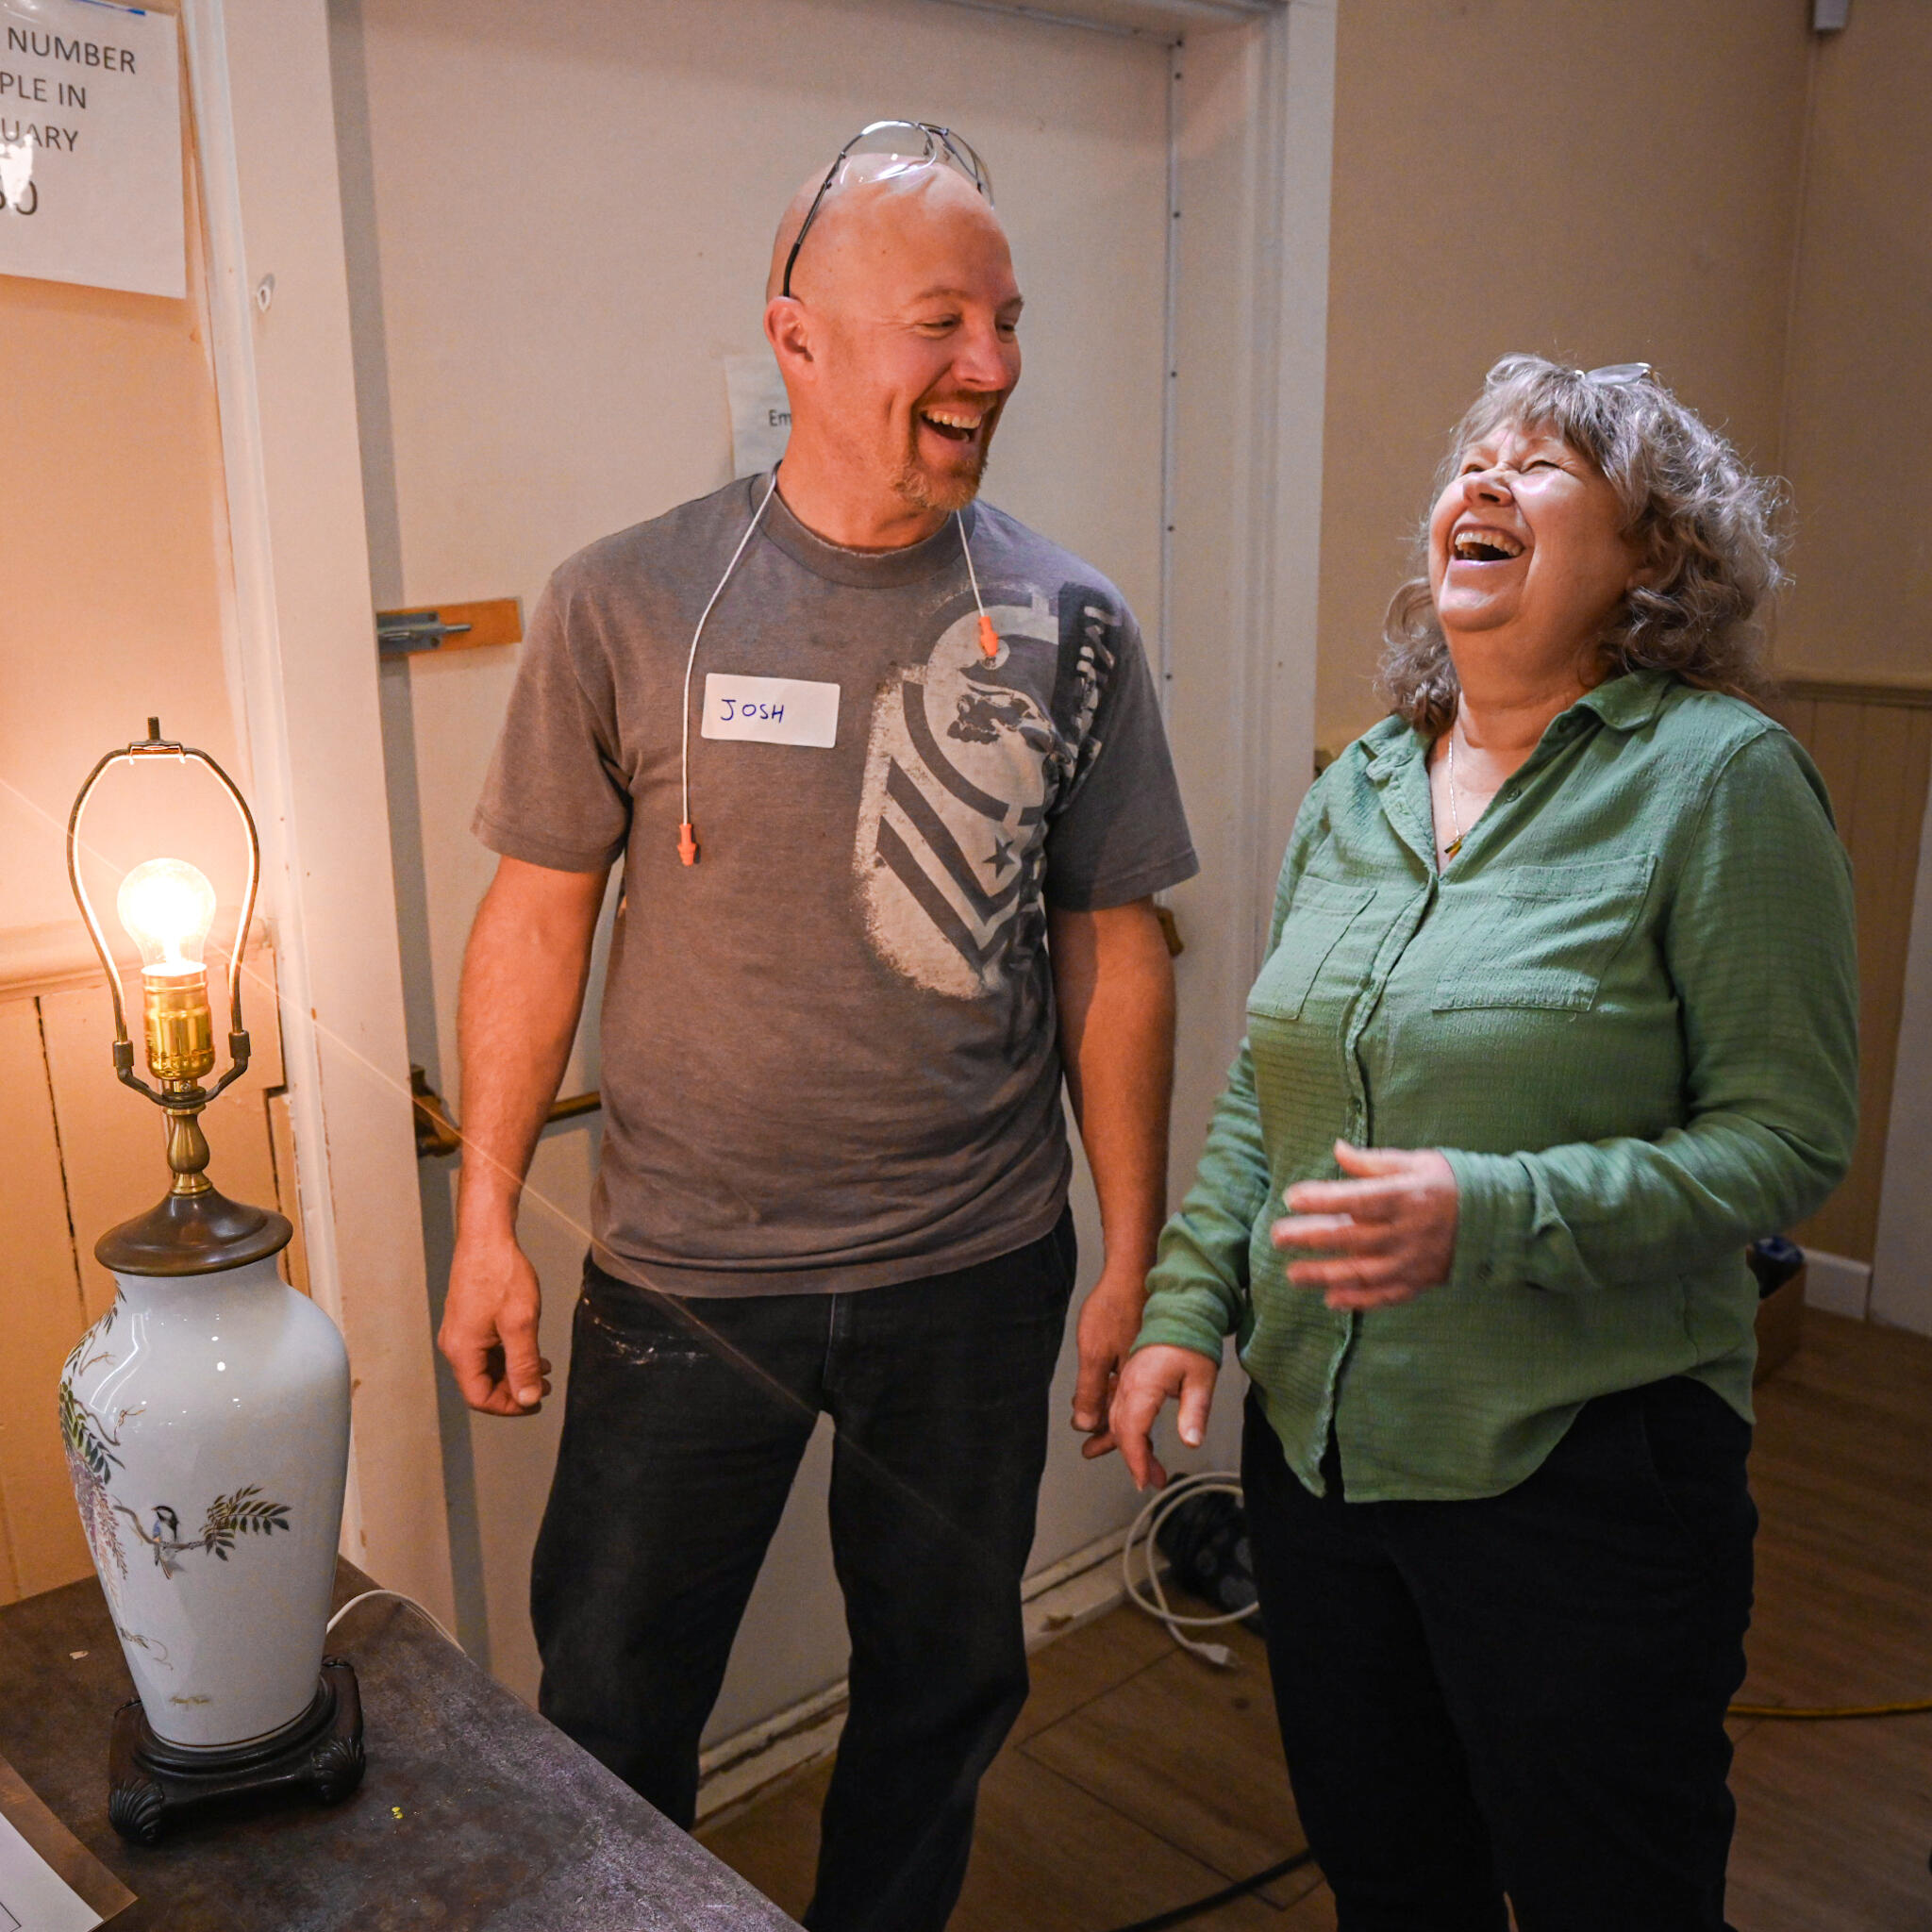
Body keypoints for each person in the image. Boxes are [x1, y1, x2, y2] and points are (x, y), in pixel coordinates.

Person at [439, 122, 1197, 1932]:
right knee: (615, 1711)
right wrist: (484, 1221)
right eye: (946, 321)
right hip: (690, 1282)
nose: (995, 367)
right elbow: (537, 915)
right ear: (798, 340)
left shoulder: (1071, 619)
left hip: (975, 1270)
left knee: (944, 1695)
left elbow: (1117, 947)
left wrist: (1137, 1256)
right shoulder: (624, 602)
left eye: (1011, 322)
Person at [1110, 355, 1858, 1931]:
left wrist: (1494, 1211)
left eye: (1547, 464)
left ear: (1653, 556)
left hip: (1579, 1467)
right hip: (1318, 1459)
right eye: (1476, 458)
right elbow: (1270, 1092)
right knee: (1396, 1882)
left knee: (1615, 1894)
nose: (1488, 479)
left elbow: (1788, 1143)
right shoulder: (1360, 787)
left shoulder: (1719, 781)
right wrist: (1190, 1304)